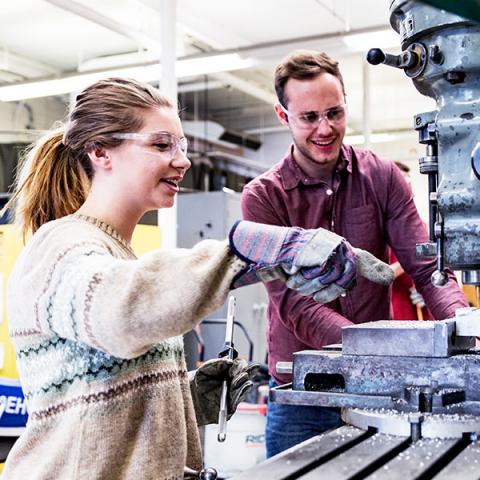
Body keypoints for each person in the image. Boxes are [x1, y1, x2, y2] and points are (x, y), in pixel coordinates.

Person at [1, 77, 393, 479]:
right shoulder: (59, 247)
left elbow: (96, 402)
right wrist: (248, 251)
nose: (183, 160)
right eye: (160, 145)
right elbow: (120, 313)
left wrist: (184, 393)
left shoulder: (117, 253)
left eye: (181, 145)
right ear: (101, 152)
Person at [240, 50, 469, 458]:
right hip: (303, 391)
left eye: (335, 113)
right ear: (282, 115)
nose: (325, 129)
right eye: (309, 117)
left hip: (378, 386)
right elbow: (295, 305)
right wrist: (372, 353)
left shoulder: (381, 177)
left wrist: (465, 326)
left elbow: (426, 264)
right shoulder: (263, 198)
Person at [389, 161, 432, 320]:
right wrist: (410, 260)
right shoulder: (375, 229)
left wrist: (429, 293)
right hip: (393, 311)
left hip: (420, 311)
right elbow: (374, 275)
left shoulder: (421, 227)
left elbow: (432, 267)